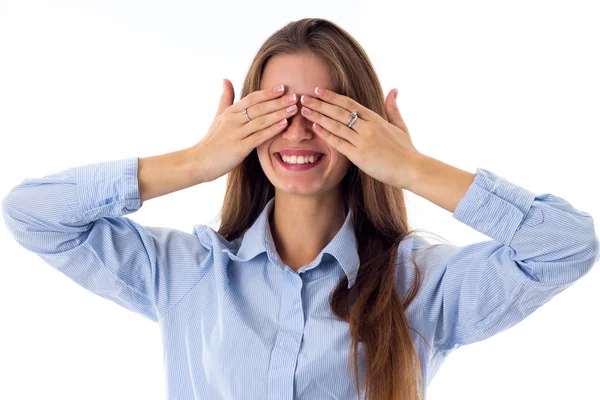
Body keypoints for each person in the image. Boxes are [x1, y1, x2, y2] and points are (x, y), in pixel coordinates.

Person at [2, 17, 599, 400]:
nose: (297, 133)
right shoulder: (186, 273)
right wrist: (195, 162)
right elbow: (32, 213)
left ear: (362, 126)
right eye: (273, 111)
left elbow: (567, 246)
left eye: (324, 112)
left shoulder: (421, 285)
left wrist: (412, 169)